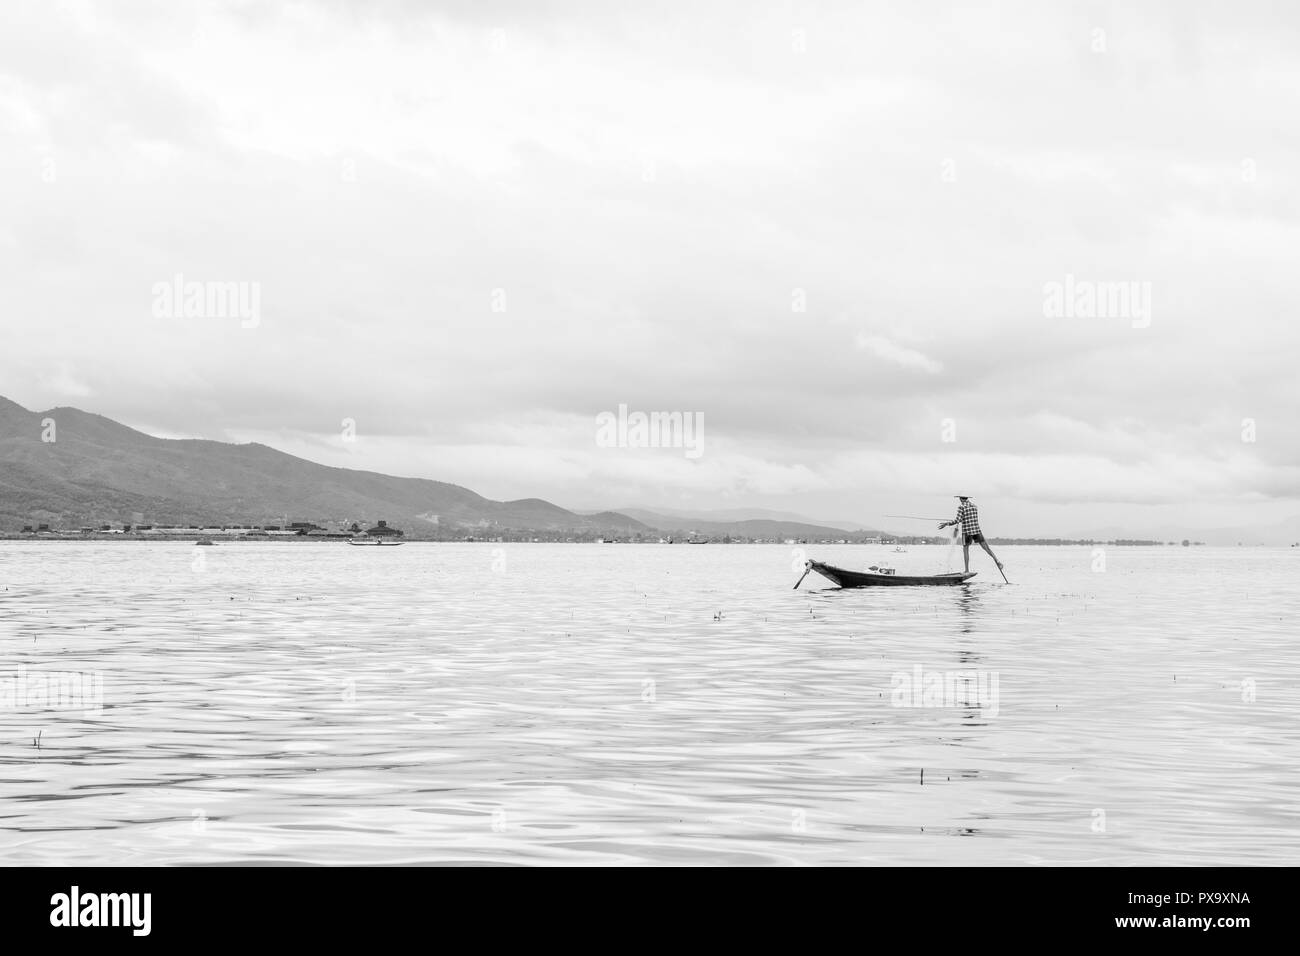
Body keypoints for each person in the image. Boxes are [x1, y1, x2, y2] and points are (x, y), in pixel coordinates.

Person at [939, 496, 1004, 575]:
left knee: (965, 549)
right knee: (986, 548)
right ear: (967, 498)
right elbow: (969, 518)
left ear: (960, 499)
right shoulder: (974, 506)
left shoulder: (961, 507)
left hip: (967, 531)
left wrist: (946, 524)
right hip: (977, 530)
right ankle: (997, 561)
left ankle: (966, 570)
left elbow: (958, 520)